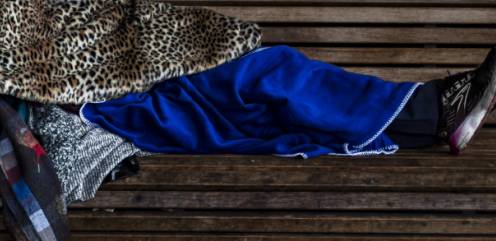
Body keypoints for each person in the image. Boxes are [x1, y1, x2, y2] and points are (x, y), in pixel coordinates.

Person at [81, 46, 496, 159]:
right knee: (271, 73)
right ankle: (435, 109)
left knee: (272, 81)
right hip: (125, 105)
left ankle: (433, 113)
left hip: (153, 80)